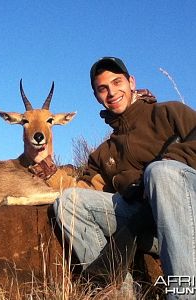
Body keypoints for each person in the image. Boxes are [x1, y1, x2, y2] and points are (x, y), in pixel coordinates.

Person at [36, 57, 195, 299]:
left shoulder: (169, 112)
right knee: (68, 201)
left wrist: (167, 162)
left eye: (117, 82)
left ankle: (184, 294)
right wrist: (52, 176)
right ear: (97, 96)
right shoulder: (103, 152)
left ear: (131, 82)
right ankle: (118, 293)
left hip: (188, 210)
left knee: (160, 173)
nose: (112, 92)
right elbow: (85, 186)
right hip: (147, 224)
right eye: (103, 88)